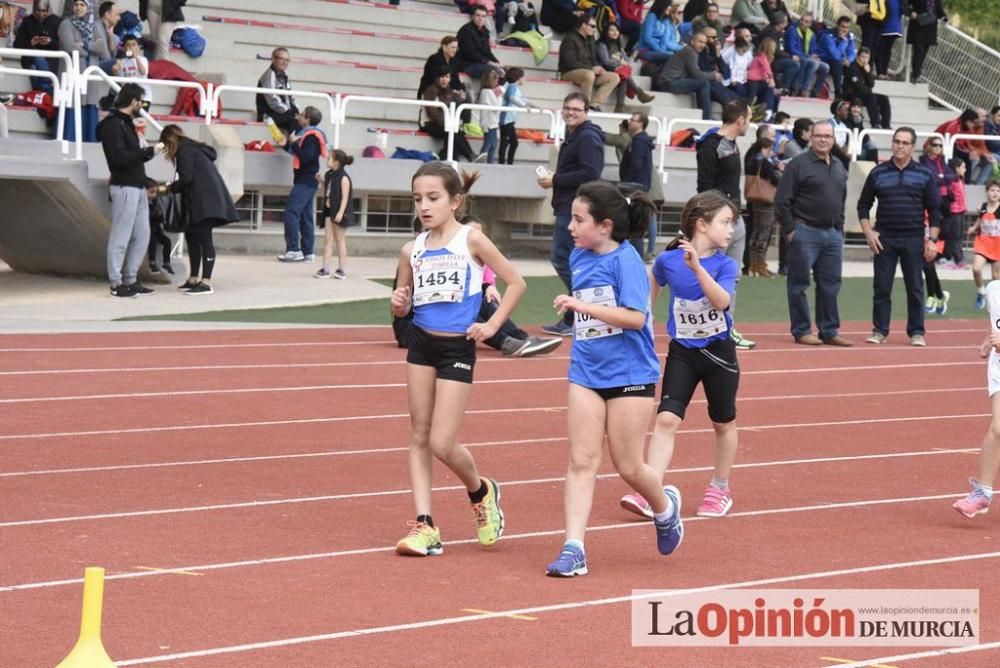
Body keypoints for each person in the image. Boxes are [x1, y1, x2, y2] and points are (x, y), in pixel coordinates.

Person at [544, 180, 683, 577]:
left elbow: (636, 318)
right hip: (586, 371)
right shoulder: (578, 256)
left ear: (604, 225)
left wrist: (580, 305)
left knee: (629, 466)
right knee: (581, 460)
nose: (570, 227)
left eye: (578, 219)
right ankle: (574, 548)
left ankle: (665, 507)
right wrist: (581, 308)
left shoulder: (627, 262)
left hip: (630, 374)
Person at [390, 162, 526, 557]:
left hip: (456, 350)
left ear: (455, 201)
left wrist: (493, 326)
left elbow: (516, 282)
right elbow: (402, 305)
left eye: (433, 198)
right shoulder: (410, 250)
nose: (424, 207)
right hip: (421, 345)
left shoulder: (472, 241)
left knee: (442, 443)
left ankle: (481, 491)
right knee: (418, 435)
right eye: (418, 199)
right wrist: (399, 303)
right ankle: (425, 525)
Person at [619, 190, 742, 521]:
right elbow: (649, 294)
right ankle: (652, 489)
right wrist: (643, 318)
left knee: (722, 423)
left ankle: (720, 488)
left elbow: (721, 301)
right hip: (683, 351)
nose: (731, 230)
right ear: (701, 224)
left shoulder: (725, 264)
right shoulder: (667, 261)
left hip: (718, 354)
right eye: (726, 222)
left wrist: (698, 268)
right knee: (666, 419)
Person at [857, 127, 941, 347]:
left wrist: (932, 241)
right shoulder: (878, 172)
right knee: (882, 287)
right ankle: (879, 331)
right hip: (884, 237)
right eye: (897, 141)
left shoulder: (924, 174)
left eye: (905, 143)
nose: (900, 146)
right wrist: (868, 232)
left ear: (912, 147)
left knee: (915, 287)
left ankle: (916, 332)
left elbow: (935, 210)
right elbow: (863, 205)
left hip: (914, 238)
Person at [773, 120, 853, 346]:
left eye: (828, 136)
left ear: (833, 139)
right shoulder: (798, 165)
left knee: (831, 284)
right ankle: (802, 330)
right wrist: (790, 231)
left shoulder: (838, 165)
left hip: (832, 234)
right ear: (811, 137)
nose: (823, 139)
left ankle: (829, 331)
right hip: (804, 231)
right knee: (799, 284)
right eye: (819, 135)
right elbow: (781, 201)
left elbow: (841, 199)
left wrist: (840, 227)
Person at [538, 92, 605, 336]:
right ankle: (574, 315)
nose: (570, 112)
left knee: (563, 259)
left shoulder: (586, 137)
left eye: (576, 109)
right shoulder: (577, 135)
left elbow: (590, 172)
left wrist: (555, 179)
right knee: (571, 260)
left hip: (575, 209)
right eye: (567, 108)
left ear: (586, 111)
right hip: (571, 206)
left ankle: (586, 306)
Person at [696, 99, 755, 349]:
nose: (750, 125)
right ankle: (704, 328)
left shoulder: (732, 144)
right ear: (740, 120)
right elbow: (705, 188)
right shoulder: (711, 145)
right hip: (718, 224)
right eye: (749, 119)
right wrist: (714, 221)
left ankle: (726, 328)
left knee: (733, 277)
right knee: (711, 275)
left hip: (736, 221)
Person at [157, 125, 239, 295]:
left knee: (203, 240)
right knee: (193, 238)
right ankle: (194, 278)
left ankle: (206, 282)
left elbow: (186, 179)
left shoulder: (185, 150)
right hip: (203, 200)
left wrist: (167, 189)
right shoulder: (194, 149)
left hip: (204, 202)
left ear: (170, 140)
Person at [96, 83, 156, 298]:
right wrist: (145, 153)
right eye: (140, 101)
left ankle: (130, 278)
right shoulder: (113, 125)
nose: (142, 105)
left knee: (142, 234)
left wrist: (147, 175)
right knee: (121, 235)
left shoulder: (127, 123)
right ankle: (115, 282)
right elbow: (118, 159)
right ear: (133, 101)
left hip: (136, 185)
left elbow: (132, 157)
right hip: (123, 185)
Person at [953, 279, 1000, 519]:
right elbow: (995, 318)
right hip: (999, 366)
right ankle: (983, 493)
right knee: (998, 428)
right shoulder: (994, 289)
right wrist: (988, 338)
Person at [275, 107, 326, 264]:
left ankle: (293, 250)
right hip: (307, 180)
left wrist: (293, 143)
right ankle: (308, 252)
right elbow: (299, 151)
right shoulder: (307, 135)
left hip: (306, 180)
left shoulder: (311, 136)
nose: (298, 117)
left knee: (291, 212)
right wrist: (286, 144)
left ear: (308, 119)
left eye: (302, 115)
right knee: (305, 216)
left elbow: (305, 156)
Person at [60, 0, 111, 142]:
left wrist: (84, 44)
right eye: (76, 4)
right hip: (73, 71)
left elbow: (102, 47)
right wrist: (90, 49)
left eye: (82, 5)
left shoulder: (94, 24)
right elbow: (70, 46)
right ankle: (70, 138)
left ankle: (90, 138)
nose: (78, 8)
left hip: (90, 72)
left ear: (88, 7)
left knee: (90, 103)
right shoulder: (66, 24)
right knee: (74, 101)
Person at [558, 14, 620, 109]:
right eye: (592, 26)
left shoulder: (591, 38)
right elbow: (570, 63)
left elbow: (593, 58)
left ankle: (594, 105)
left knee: (614, 77)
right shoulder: (569, 39)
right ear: (583, 25)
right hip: (568, 72)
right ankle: (584, 106)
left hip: (588, 72)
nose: (594, 29)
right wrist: (591, 69)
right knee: (589, 74)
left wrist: (598, 67)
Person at [420, 70, 479, 163]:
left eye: (447, 77)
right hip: (429, 124)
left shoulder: (450, 91)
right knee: (451, 130)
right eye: (442, 77)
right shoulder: (430, 90)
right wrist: (447, 123)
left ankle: (450, 155)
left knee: (456, 131)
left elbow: (459, 106)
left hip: (444, 123)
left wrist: (464, 97)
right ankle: (469, 155)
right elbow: (432, 113)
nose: (444, 80)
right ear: (437, 78)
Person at [655, 30, 715, 120]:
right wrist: (713, 75)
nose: (702, 45)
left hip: (671, 81)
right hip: (669, 83)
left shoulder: (691, 51)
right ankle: (707, 118)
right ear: (692, 42)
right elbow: (697, 74)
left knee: (702, 83)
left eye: (704, 43)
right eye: (700, 42)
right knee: (704, 83)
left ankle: (706, 115)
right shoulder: (689, 52)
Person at [596, 22, 655, 112]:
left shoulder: (619, 46)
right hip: (605, 71)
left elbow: (626, 61)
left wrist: (631, 58)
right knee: (624, 74)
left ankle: (620, 106)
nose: (615, 32)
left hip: (618, 72)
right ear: (606, 32)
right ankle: (638, 93)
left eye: (616, 30)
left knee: (624, 79)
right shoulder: (602, 44)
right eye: (611, 30)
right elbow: (605, 61)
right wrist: (619, 63)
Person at [744, 135, 781, 276]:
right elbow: (775, 179)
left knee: (755, 233)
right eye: (770, 149)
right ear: (765, 148)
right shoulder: (764, 162)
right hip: (766, 201)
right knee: (763, 234)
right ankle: (759, 265)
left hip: (755, 200)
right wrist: (778, 169)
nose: (771, 152)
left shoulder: (752, 159)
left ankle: (753, 265)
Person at [315, 149, 354, 280]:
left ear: (336, 162)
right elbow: (328, 190)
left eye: (329, 159)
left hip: (339, 213)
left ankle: (342, 269)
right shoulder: (329, 175)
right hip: (328, 212)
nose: (327, 161)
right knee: (328, 240)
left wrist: (341, 213)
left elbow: (345, 197)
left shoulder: (344, 178)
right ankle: (325, 268)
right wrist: (320, 181)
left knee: (340, 241)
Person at [13, 0, 62, 94]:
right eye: (38, 10)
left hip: (50, 60)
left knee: (34, 69)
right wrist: (31, 42)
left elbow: (61, 45)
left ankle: (40, 95)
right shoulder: (28, 21)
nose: (41, 14)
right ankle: (48, 88)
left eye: (44, 11)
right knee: (36, 58)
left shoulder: (56, 21)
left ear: (48, 10)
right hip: (30, 57)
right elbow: (17, 44)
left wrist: (49, 42)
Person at [969, 180, 1000, 310]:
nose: (995, 193)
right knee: (976, 268)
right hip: (983, 242)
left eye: (998, 191)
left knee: (995, 277)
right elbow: (980, 219)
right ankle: (981, 291)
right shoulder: (982, 207)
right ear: (987, 192)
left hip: (997, 245)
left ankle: (994, 301)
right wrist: (974, 227)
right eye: (992, 190)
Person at [783, 11, 829, 98]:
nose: (803, 23)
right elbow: (791, 48)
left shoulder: (811, 34)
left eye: (806, 22)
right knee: (812, 62)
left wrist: (815, 56)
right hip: (795, 55)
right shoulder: (792, 30)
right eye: (802, 20)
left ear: (810, 24)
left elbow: (814, 50)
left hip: (807, 57)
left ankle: (816, 91)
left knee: (826, 67)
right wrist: (808, 56)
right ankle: (801, 89)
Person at [843, 46, 892, 130]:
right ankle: (875, 123)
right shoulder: (853, 68)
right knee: (871, 96)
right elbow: (859, 87)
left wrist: (869, 73)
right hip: (851, 94)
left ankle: (886, 124)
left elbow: (871, 84)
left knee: (884, 98)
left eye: (867, 57)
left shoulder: (867, 67)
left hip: (864, 94)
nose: (865, 60)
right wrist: (868, 89)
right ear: (858, 57)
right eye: (862, 57)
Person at [256, 48, 298, 136]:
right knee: (295, 121)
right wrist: (289, 112)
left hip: (281, 114)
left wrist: (296, 111)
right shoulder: (269, 76)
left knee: (303, 119)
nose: (285, 62)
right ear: (273, 59)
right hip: (267, 115)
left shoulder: (284, 76)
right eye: (282, 59)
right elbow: (273, 100)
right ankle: (295, 146)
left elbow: (291, 96)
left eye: (287, 60)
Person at [455, 5, 504, 79]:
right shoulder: (466, 31)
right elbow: (470, 53)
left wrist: (497, 62)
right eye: (478, 15)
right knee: (493, 71)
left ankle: (496, 89)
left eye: (483, 16)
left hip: (481, 63)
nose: (480, 18)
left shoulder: (485, 32)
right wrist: (489, 62)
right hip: (467, 64)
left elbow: (487, 52)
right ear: (472, 16)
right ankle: (486, 90)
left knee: (506, 71)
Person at [907, 0, 947, 84]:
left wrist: (944, 17)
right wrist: (911, 12)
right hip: (918, 25)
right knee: (919, 50)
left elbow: (938, 9)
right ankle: (915, 74)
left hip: (930, 28)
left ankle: (917, 71)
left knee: (924, 51)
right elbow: (906, 4)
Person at [417, 36, 467, 102]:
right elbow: (433, 79)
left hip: (447, 90)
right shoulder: (434, 59)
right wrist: (453, 90)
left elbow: (455, 79)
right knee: (456, 99)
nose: (455, 50)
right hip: (432, 90)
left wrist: (461, 89)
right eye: (452, 47)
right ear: (444, 47)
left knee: (466, 97)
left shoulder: (454, 61)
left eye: (456, 48)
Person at [817, 15, 856, 99]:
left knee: (854, 65)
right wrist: (843, 42)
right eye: (843, 26)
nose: (845, 29)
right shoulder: (828, 35)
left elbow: (852, 52)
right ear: (837, 25)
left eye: (847, 27)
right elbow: (835, 55)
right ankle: (838, 92)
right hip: (825, 59)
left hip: (839, 61)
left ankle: (851, 93)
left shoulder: (850, 36)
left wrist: (849, 60)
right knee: (837, 63)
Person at [636, 0, 683, 66]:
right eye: (668, 5)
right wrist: (660, 50)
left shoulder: (661, 20)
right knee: (672, 57)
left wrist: (663, 50)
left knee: (678, 56)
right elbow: (647, 38)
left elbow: (663, 39)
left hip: (656, 50)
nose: (669, 8)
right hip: (646, 50)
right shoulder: (651, 16)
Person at [498, 67, 529, 165]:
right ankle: (502, 163)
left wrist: (537, 107)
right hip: (506, 119)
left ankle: (509, 163)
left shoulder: (516, 89)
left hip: (511, 120)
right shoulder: (511, 86)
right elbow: (511, 98)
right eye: (523, 77)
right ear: (518, 78)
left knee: (514, 143)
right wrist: (522, 106)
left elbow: (524, 100)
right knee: (505, 142)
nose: (525, 79)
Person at [145, 178, 173, 276]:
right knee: (152, 240)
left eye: (155, 192)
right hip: (147, 228)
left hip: (155, 227)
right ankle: (152, 262)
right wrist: (155, 214)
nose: (154, 195)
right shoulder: (143, 203)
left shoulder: (155, 202)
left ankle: (166, 263)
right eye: (151, 192)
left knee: (167, 241)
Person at [874, 0, 903, 77]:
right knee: (885, 49)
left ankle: (881, 72)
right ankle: (882, 71)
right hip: (890, 24)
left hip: (888, 24)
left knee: (883, 49)